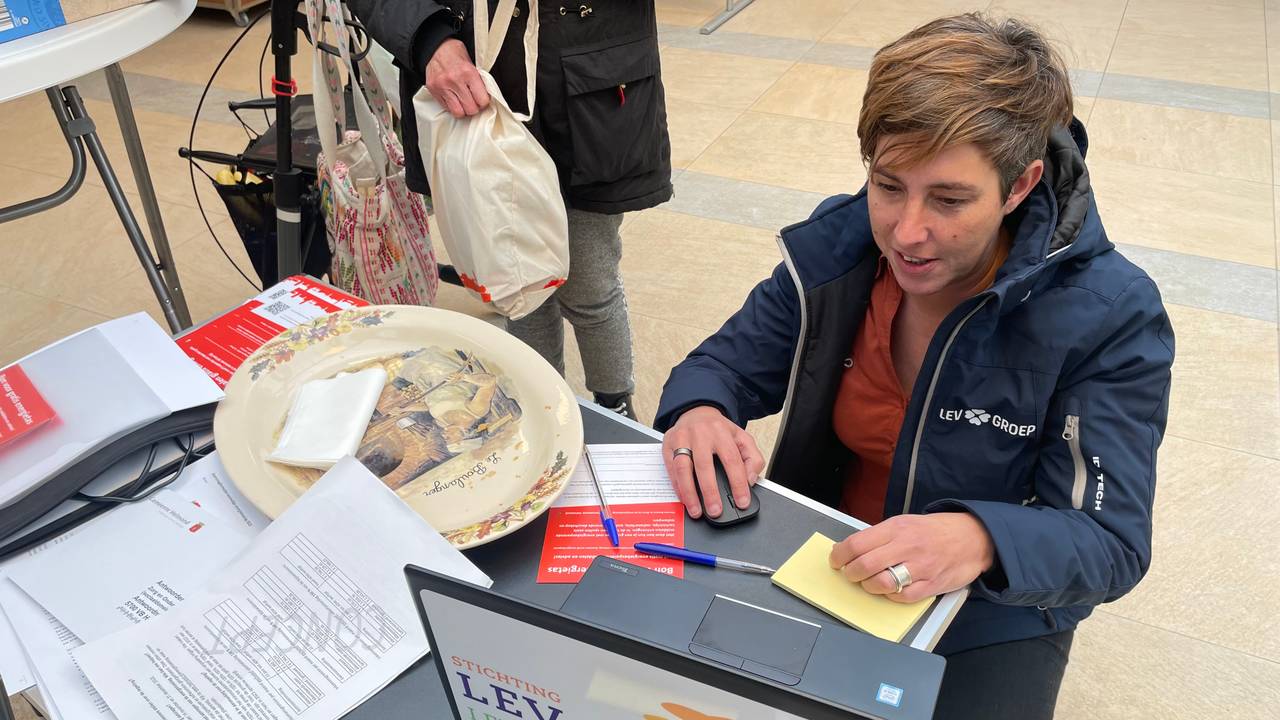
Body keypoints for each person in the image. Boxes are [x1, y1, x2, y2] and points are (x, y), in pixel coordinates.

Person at [653, 14, 1175, 719]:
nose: (906, 231)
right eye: (888, 184)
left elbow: (1109, 540)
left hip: (990, 614)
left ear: (1019, 186)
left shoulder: (1109, 313)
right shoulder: (837, 253)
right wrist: (701, 410)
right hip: (824, 565)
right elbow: (724, 362)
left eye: (950, 200)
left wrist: (983, 538)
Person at [347, 0, 673, 420]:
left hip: (598, 82)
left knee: (590, 281)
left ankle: (615, 409)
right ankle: (538, 406)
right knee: (515, 281)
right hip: (469, 76)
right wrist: (428, 37)